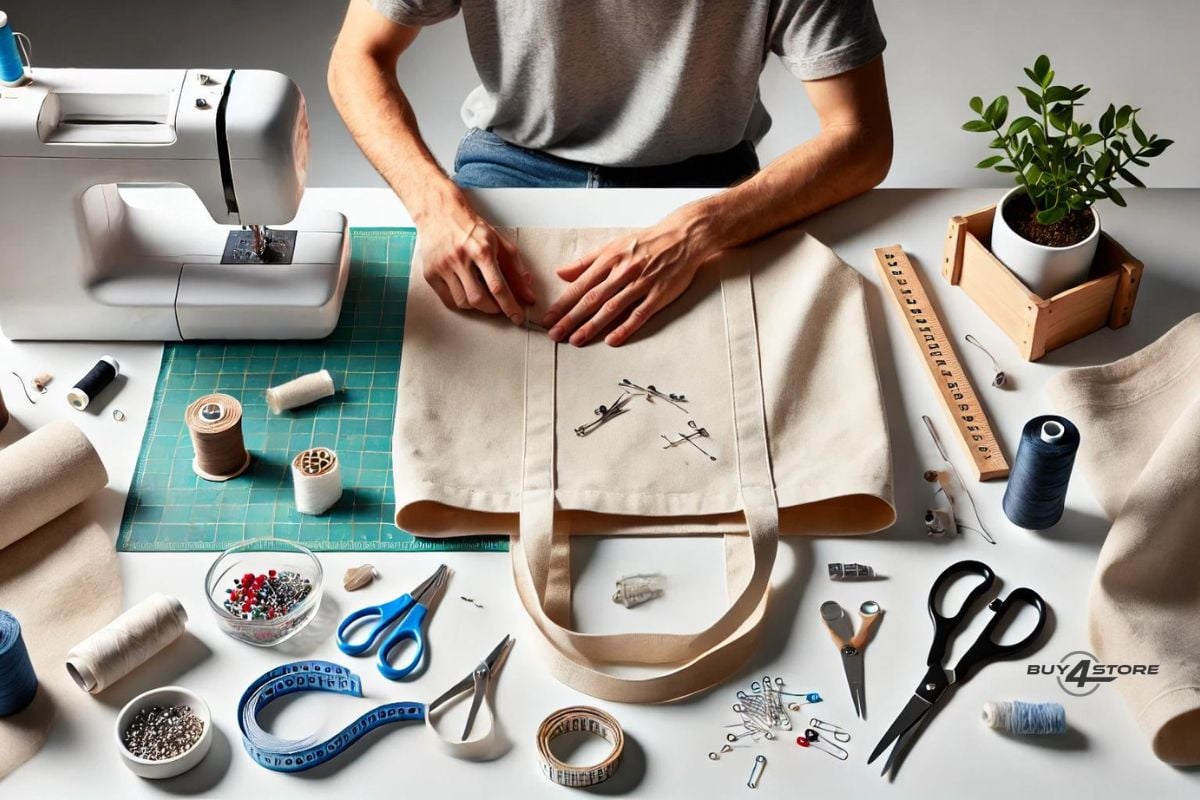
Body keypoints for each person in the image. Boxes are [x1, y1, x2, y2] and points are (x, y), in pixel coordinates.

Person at [329, 0, 892, 346]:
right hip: (512, 161)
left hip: (704, 184)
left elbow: (861, 138)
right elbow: (357, 57)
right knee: (464, 368)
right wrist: (435, 208)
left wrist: (696, 230)